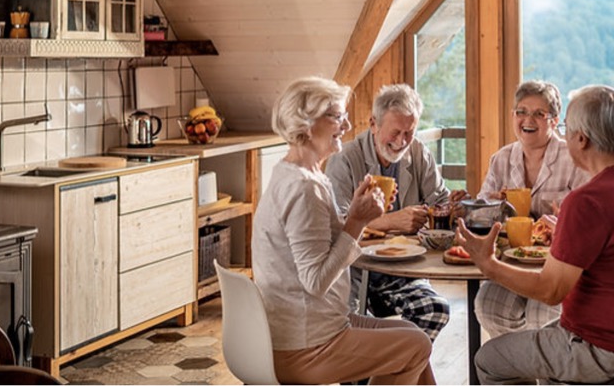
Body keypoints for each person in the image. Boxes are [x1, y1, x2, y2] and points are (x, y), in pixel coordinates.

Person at [457, 84, 614, 385]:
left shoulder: (588, 200)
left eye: (566, 127)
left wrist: (488, 264)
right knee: (536, 347)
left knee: (489, 360)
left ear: (581, 139)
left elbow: (550, 290)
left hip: (603, 349)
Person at [252, 76, 435, 385]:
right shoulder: (303, 188)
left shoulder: (298, 174)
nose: (348, 126)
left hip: (309, 327)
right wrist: (357, 222)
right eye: (336, 116)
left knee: (413, 336)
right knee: (416, 346)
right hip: (305, 345)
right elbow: (316, 281)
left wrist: (355, 214)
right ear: (306, 124)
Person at [326, 83, 468, 341]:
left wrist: (453, 208)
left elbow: (439, 199)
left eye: (409, 133)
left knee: (435, 311)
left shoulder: (418, 153)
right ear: (373, 124)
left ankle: (392, 375)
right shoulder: (345, 160)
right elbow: (337, 229)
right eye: (395, 132)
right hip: (356, 273)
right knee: (351, 333)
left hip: (406, 271)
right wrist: (391, 221)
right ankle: (376, 376)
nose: (402, 141)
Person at [475, 80, 590, 338]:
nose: (528, 119)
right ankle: (517, 367)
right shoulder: (501, 159)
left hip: (560, 263)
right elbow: (479, 213)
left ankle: (541, 367)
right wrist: (492, 206)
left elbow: (590, 219)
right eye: (522, 112)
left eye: (539, 113)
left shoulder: (573, 158)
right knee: (488, 307)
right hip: (512, 261)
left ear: (554, 120)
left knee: (542, 316)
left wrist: (565, 222)